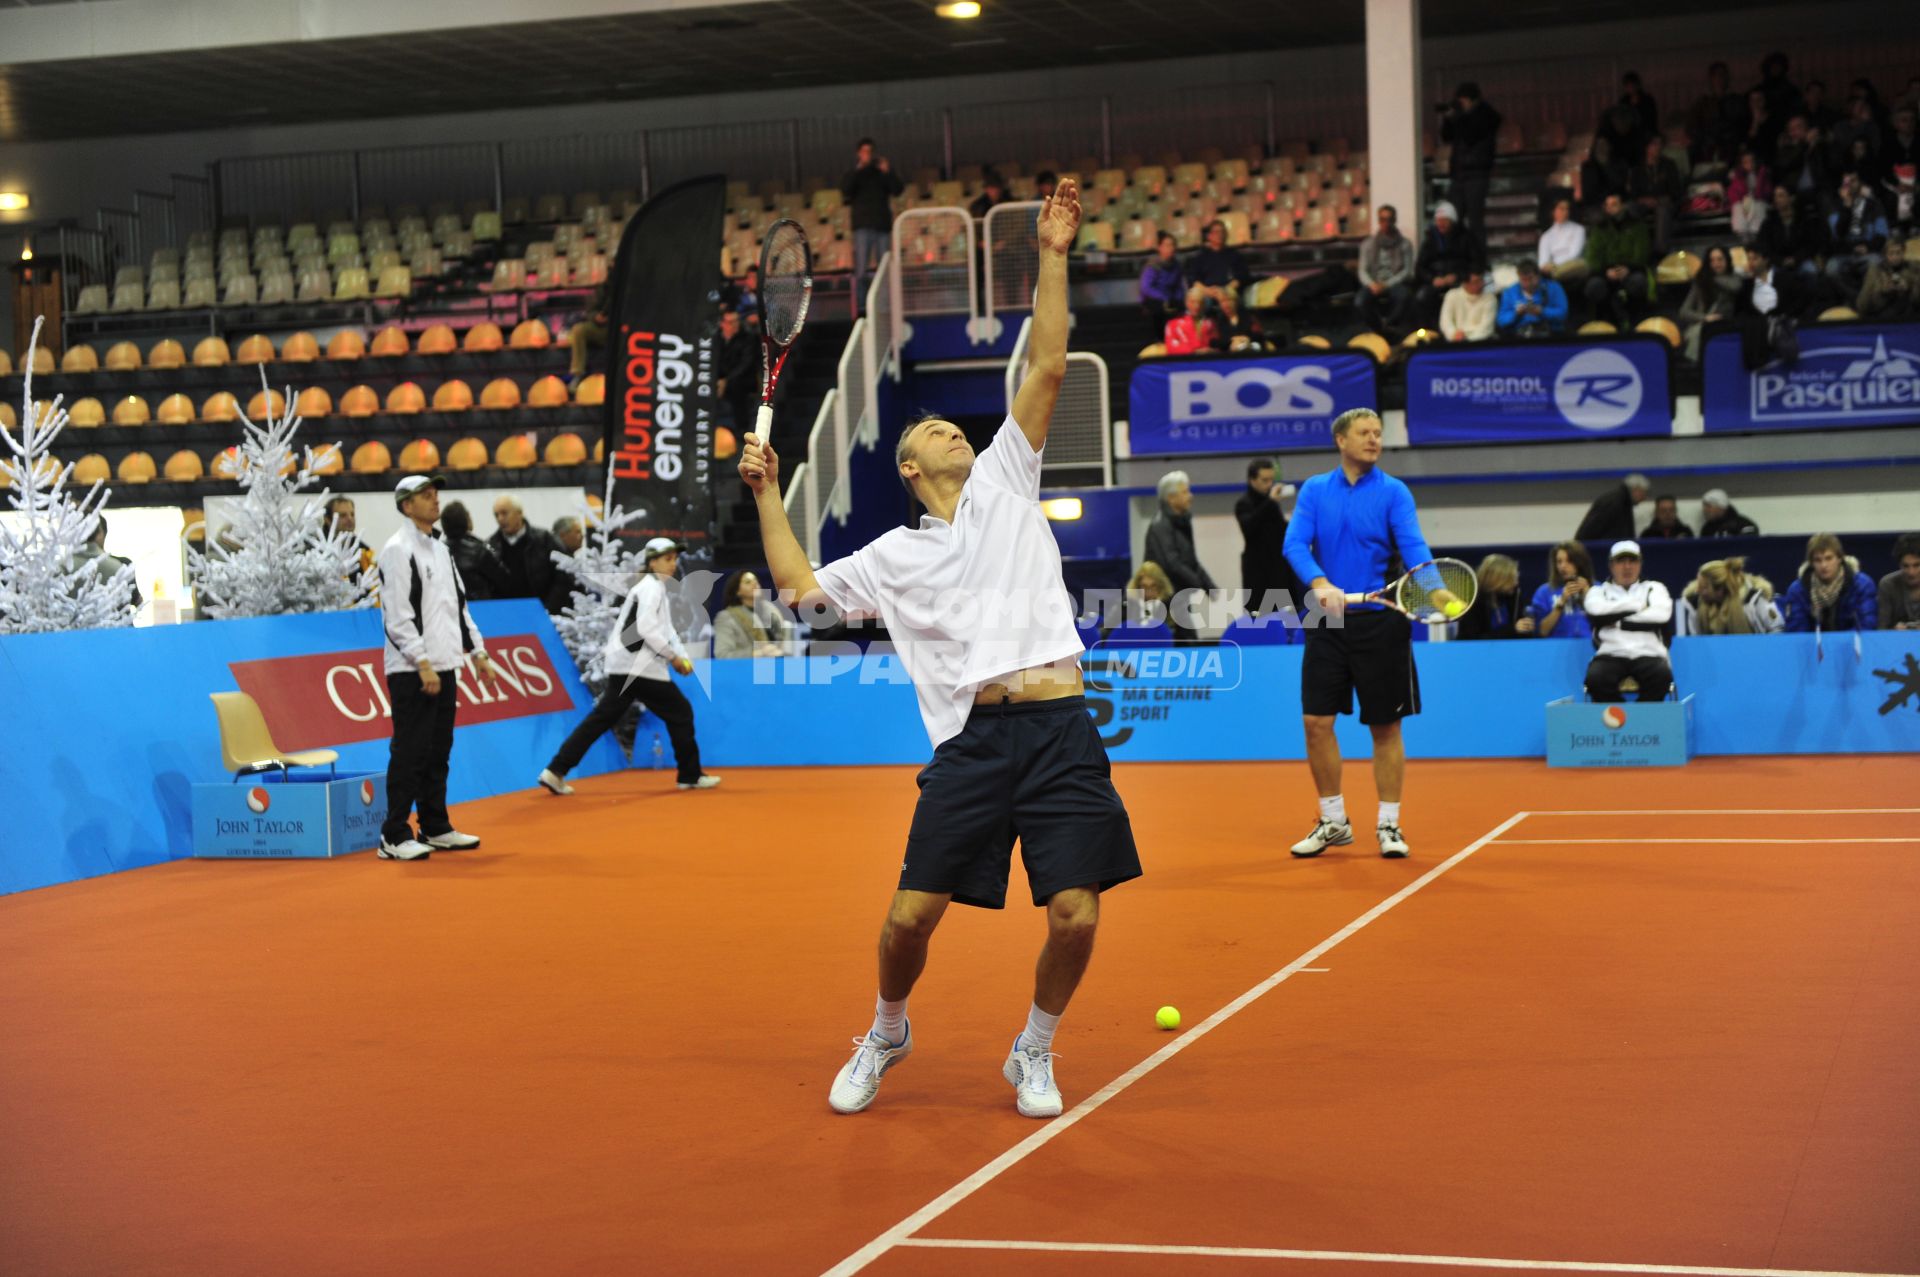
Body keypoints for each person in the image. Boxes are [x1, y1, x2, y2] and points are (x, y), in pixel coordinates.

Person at [742, 179, 1142, 1121]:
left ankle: (1033, 1048)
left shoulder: (1008, 478)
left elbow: (1044, 366)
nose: (950, 429)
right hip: (971, 744)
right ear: (911, 469)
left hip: (1059, 729)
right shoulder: (891, 556)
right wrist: (766, 496)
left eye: (954, 425)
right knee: (906, 921)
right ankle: (886, 1029)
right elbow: (802, 595)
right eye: (931, 432)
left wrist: (1052, 252)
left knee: (1078, 912)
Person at [1283, 408, 1446, 861]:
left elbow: (1413, 547)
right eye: (1364, 433)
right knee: (1316, 723)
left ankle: (1389, 824)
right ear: (1341, 440)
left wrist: (1436, 593)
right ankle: (1333, 821)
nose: (1374, 439)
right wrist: (1319, 582)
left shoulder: (1395, 492)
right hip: (1326, 616)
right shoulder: (1315, 490)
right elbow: (1295, 543)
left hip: (1381, 617)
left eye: (1378, 433)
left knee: (1385, 726)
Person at [376, 475, 500, 861]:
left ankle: (434, 825)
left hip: (446, 664)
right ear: (405, 505)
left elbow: (458, 607)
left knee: (438, 751)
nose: (434, 501)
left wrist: (478, 652)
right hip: (413, 669)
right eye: (425, 496)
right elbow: (397, 617)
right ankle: (393, 834)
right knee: (410, 750)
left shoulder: (441, 550)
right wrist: (422, 662)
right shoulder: (397, 550)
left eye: (435, 494)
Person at [537, 536, 719, 795]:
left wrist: (677, 654)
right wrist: (674, 657)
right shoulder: (651, 589)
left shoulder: (652, 588)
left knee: (601, 718)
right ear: (652, 561)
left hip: (627, 666)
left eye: (675, 558)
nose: (673, 564)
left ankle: (555, 770)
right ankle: (690, 775)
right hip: (639, 668)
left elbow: (666, 631)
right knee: (680, 712)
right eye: (668, 558)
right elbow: (648, 630)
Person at [1582, 541, 1673, 704]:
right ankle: (1618, 718)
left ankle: (1642, 720)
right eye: (1621, 561)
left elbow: (1661, 615)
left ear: (1640, 564)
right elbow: (1596, 611)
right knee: (1595, 678)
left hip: (1649, 653)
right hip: (1610, 653)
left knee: (1661, 675)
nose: (1627, 567)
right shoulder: (1597, 591)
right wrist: (1638, 606)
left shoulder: (1655, 588)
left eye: (1632, 561)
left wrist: (1616, 621)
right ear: (1611, 565)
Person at [1143, 469, 1216, 637]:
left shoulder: (1182, 522)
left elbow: (1191, 559)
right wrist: (1197, 582)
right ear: (1171, 498)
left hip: (1180, 597)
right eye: (1185, 492)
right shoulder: (1160, 525)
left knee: (1188, 641)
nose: (1190, 496)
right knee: (1185, 642)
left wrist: (1208, 585)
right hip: (1165, 600)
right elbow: (1172, 562)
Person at [842, 137, 904, 314]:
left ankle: (883, 306)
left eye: (870, 151)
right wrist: (859, 168)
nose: (867, 155)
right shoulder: (854, 174)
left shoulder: (881, 173)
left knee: (883, 270)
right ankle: (862, 307)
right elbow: (845, 189)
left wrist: (888, 171)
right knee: (861, 270)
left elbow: (898, 190)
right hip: (862, 227)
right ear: (858, 153)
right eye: (864, 151)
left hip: (882, 226)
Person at [1440, 81, 1501, 253]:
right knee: (1453, 218)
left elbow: (1471, 136)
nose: (1461, 104)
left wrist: (1459, 118)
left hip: (1477, 175)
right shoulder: (1461, 118)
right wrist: (1448, 119)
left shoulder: (1487, 116)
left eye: (1464, 100)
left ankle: (1478, 259)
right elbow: (1447, 137)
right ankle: (1456, 257)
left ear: (1473, 100)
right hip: (1458, 175)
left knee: (1475, 221)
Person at [1235, 458, 1296, 617]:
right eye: (1264, 480)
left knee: (1285, 616)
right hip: (1258, 573)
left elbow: (1280, 529)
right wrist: (1270, 502)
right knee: (1259, 619)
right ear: (1252, 480)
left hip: (1278, 569)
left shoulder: (1270, 503)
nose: (1269, 484)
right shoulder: (1244, 503)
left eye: (1271, 480)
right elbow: (1249, 527)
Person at [1583, 192, 1654, 329]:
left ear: (1623, 206)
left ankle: (1637, 324)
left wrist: (1628, 268)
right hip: (1605, 273)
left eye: (1614, 204)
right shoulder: (1598, 228)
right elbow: (1592, 258)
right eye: (1607, 205)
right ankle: (1606, 325)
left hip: (1631, 270)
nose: (1610, 208)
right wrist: (1606, 272)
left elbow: (1643, 253)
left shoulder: (1637, 226)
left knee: (1638, 282)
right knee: (1594, 287)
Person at [1783, 533, 1878, 633]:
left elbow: (1867, 626)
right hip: (1812, 646)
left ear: (1840, 558)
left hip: (1851, 645)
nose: (1824, 565)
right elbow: (1796, 632)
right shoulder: (1798, 591)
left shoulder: (1862, 585)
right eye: (1817, 560)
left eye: (1829, 558)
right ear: (1811, 563)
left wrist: (1836, 643)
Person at [489, 495, 569, 613]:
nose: (500, 519)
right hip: (507, 616)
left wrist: (549, 609)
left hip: (544, 612)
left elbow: (563, 576)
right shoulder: (491, 546)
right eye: (496, 515)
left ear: (519, 513)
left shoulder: (545, 540)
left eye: (504, 513)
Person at [1413, 201, 1480, 328]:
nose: (1441, 224)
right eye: (1438, 220)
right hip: (1435, 280)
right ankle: (1428, 331)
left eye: (1444, 220)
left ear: (1452, 221)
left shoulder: (1466, 237)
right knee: (1421, 297)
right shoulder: (1430, 239)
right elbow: (1420, 267)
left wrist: (1458, 276)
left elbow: (1475, 263)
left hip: (1459, 280)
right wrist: (1433, 279)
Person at [1675, 557, 1783, 635]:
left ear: (1720, 590)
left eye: (1704, 588)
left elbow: (1776, 629)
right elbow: (1696, 643)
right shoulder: (1695, 605)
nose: (1697, 591)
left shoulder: (1753, 601)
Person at [1355, 204, 1415, 336]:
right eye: (1382, 220)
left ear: (1394, 220)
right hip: (1373, 282)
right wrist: (1372, 284)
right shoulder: (1368, 244)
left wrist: (1386, 285)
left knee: (1404, 296)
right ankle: (1378, 327)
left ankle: (1388, 325)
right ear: (1378, 221)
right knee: (1360, 301)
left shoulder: (1405, 244)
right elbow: (1362, 270)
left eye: (1389, 220)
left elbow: (1407, 271)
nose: (1386, 223)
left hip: (1394, 282)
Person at [1827, 172, 1889, 292]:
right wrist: (1846, 208)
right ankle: (1853, 299)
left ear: (1861, 183)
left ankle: (1865, 299)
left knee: (1876, 263)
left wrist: (1867, 247)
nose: (1850, 185)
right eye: (1847, 182)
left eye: (1853, 180)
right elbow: (1837, 238)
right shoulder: (1835, 207)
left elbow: (1882, 235)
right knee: (1831, 269)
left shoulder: (1874, 205)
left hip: (1869, 253)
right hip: (1844, 254)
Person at [1679, 245, 1740, 361]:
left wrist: (1713, 279)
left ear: (1727, 260)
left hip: (1728, 326)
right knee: (1699, 333)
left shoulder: (1735, 280)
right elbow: (1683, 312)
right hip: (1704, 327)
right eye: (1712, 260)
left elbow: (1736, 286)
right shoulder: (1701, 282)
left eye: (1720, 259)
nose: (1716, 264)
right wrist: (1706, 318)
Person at [67, 514, 140, 612]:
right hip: (119, 626)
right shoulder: (122, 566)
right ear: (101, 534)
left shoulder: (63, 567)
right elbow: (138, 603)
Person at [440, 500, 509, 601]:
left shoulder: (437, 551)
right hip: (481, 609)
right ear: (466, 519)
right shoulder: (480, 551)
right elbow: (505, 581)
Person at [711, 568, 789, 657]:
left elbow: (781, 642)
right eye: (748, 582)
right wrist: (760, 653)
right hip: (743, 669)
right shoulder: (726, 617)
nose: (755, 584)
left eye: (756, 581)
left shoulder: (770, 610)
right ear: (737, 591)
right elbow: (722, 655)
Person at [1525, 541, 1594, 641]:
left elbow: (1607, 627)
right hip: (1556, 649)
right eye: (1559, 561)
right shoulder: (1544, 592)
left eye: (1569, 561)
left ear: (1580, 562)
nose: (1563, 566)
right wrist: (1561, 602)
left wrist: (1589, 597)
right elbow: (1542, 632)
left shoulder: (1597, 588)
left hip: (1590, 647)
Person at [1628, 135, 1685, 251]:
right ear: (1647, 147)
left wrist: (1658, 200)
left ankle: (1661, 249)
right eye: (1654, 144)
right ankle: (1637, 246)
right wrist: (1644, 200)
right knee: (1631, 208)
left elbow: (1676, 190)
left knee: (1662, 210)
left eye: (1660, 144)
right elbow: (1633, 193)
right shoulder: (1637, 169)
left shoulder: (1669, 165)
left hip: (1664, 202)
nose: (1658, 147)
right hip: (1643, 202)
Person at [1756, 187, 1828, 278]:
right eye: (1775, 196)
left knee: (1811, 270)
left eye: (1781, 196)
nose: (1776, 199)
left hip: (1801, 261)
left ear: (1791, 198)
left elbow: (1811, 244)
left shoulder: (1804, 219)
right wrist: (1780, 260)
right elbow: (1764, 246)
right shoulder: (1769, 222)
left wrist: (1796, 259)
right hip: (1777, 262)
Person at [1454, 554, 1528, 639]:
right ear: (1497, 580)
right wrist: (1512, 630)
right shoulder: (1472, 600)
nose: (1516, 583)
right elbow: (1472, 638)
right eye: (1511, 579)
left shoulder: (1515, 595)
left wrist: (1526, 629)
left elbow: (1522, 634)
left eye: (1516, 578)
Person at [1687, 61, 1744, 167]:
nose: (1720, 79)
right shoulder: (1702, 103)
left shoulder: (1736, 101)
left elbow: (1741, 125)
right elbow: (1693, 128)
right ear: (1711, 79)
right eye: (1716, 75)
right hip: (1708, 151)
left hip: (1731, 149)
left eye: (1723, 75)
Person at [1498, 258, 1569, 338]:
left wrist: (1542, 311)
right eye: (1523, 280)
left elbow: (1563, 314)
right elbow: (1501, 321)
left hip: (1551, 335)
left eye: (1530, 279)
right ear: (1518, 277)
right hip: (1519, 336)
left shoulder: (1554, 287)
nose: (1527, 283)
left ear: (1538, 276)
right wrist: (1516, 314)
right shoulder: (1509, 292)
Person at [716, 307, 759, 430]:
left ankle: (740, 432)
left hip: (741, 381)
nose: (735, 325)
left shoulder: (747, 337)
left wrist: (726, 381)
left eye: (736, 321)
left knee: (736, 387)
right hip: (720, 379)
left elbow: (746, 364)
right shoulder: (716, 339)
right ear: (722, 323)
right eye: (730, 322)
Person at [1574, 473, 1649, 543]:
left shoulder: (1619, 501)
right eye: (1644, 493)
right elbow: (1591, 530)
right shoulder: (1615, 503)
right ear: (1636, 490)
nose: (1644, 498)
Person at [1857, 236, 1920, 318]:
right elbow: (1863, 305)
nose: (1895, 257)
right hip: (1882, 315)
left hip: (1909, 314)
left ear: (1903, 252)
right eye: (1891, 253)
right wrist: (1883, 292)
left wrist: (1909, 287)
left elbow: (1917, 301)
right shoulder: (1876, 271)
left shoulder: (1913, 268)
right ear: (1885, 255)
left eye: (1898, 253)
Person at [1138, 233, 1186, 343]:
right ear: (1160, 248)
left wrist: (1179, 299)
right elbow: (1146, 288)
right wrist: (1164, 298)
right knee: (1158, 310)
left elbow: (1179, 286)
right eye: (1167, 245)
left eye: (1173, 245)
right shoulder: (1152, 265)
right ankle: (1159, 340)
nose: (1171, 248)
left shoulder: (1176, 265)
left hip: (1170, 297)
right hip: (1155, 298)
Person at [1184, 220, 1251, 294]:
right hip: (1206, 292)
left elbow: (1241, 277)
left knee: (1228, 299)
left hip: (1228, 292)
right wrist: (1208, 291)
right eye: (1216, 232)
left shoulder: (1235, 255)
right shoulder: (1200, 257)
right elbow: (1194, 279)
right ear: (1209, 236)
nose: (1220, 235)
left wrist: (1224, 291)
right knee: (1194, 297)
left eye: (1222, 232)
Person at [1536, 197, 1590, 289]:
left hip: (1574, 267)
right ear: (1553, 211)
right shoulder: (1546, 236)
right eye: (1561, 209)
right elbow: (1543, 262)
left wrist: (1554, 267)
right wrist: (1548, 266)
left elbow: (1574, 254)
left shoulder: (1578, 229)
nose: (1565, 212)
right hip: (1554, 271)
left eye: (1567, 209)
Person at [326, 495, 374, 595]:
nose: (350, 519)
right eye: (343, 515)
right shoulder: (316, 552)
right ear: (328, 520)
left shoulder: (364, 551)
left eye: (352, 514)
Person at [1725, 146, 1773, 239]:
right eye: (1745, 162)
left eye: (1751, 161)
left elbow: (1766, 192)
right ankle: (1743, 236)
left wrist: (1760, 178)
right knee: (1739, 207)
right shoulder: (1737, 175)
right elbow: (1734, 194)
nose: (1749, 164)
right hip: (1743, 203)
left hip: (1759, 202)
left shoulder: (1763, 173)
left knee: (1758, 206)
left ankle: (1756, 235)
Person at [569, 281, 610, 384]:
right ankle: (578, 373)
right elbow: (591, 311)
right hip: (603, 329)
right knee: (579, 330)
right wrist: (596, 317)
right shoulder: (604, 287)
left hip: (623, 329)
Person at [1575, 136, 1628, 217]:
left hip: (1616, 201)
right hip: (1596, 205)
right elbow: (1587, 193)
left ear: (1609, 146)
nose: (1602, 148)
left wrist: (1612, 200)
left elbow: (1620, 184)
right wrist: (1603, 203)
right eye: (1599, 145)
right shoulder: (1588, 167)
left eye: (1604, 144)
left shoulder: (1617, 163)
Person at [1439, 268, 1495, 342]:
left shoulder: (1490, 298)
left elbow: (1487, 327)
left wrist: (1468, 340)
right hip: (1455, 341)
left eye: (1481, 280)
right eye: (1476, 282)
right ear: (1465, 283)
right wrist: (1453, 334)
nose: (1481, 284)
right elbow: (1445, 321)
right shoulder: (1452, 295)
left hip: (1481, 342)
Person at [1878, 532, 1920, 630]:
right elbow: (1881, 629)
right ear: (1899, 565)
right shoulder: (1888, 585)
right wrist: (1894, 632)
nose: (1911, 572)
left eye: (1917, 565)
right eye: (1905, 566)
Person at [1163, 284, 1217, 355]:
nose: (1197, 306)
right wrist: (1195, 351)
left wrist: (1211, 351)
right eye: (1193, 302)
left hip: (1207, 362)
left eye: (1200, 302)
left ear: (1204, 305)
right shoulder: (1173, 324)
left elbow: (1216, 345)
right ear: (1186, 303)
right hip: (1183, 363)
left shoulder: (1211, 323)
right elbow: (1171, 347)